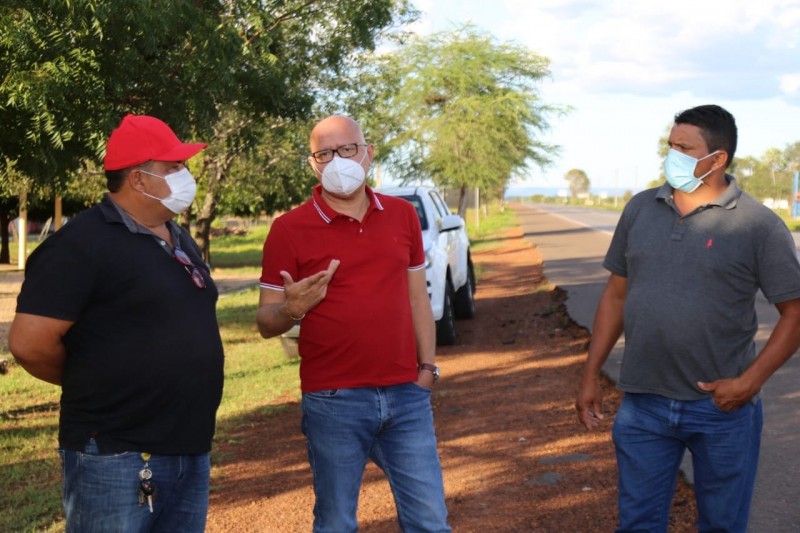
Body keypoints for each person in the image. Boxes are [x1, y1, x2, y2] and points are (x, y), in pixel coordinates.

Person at [575, 104, 800, 532]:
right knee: (638, 523)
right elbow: (615, 296)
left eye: (684, 147)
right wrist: (589, 375)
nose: (671, 155)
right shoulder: (641, 209)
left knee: (721, 525)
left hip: (722, 408)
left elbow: (795, 313)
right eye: (670, 145)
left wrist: (748, 383)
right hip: (643, 404)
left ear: (717, 159)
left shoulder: (758, 226)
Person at [9, 114, 225, 532]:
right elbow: (29, 344)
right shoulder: (80, 245)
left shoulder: (176, 236)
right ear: (139, 180)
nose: (185, 176)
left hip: (188, 448)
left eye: (184, 166)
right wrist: (95, 379)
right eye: (173, 167)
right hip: (116, 455)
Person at [256, 114, 450, 532]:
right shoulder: (288, 229)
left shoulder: (401, 216)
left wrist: (426, 371)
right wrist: (293, 308)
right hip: (333, 399)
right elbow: (265, 320)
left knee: (430, 521)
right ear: (312, 164)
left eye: (347, 149)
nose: (338, 160)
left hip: (406, 396)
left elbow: (419, 298)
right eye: (325, 153)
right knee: (336, 522)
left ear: (368, 154)